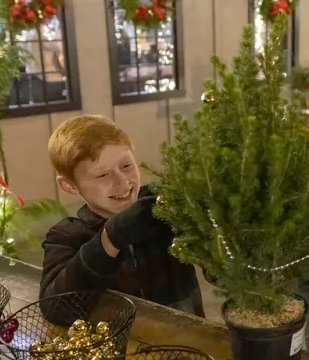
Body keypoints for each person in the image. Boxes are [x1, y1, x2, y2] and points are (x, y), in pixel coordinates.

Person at [40, 115, 203, 316]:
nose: (123, 182)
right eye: (102, 175)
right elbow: (56, 308)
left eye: (126, 166)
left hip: (188, 333)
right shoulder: (66, 236)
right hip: (120, 336)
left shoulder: (165, 207)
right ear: (69, 185)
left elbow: (224, 271)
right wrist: (110, 238)